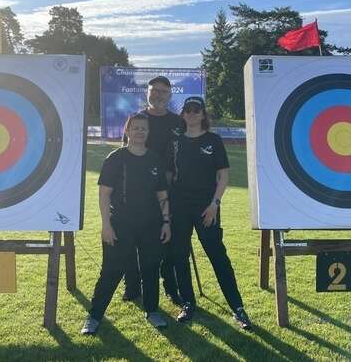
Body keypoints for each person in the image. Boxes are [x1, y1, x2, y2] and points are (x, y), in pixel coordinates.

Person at [81, 112, 172, 334]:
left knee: (150, 268)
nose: (140, 132)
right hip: (120, 224)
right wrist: (106, 225)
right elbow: (104, 195)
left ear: (148, 133)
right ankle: (94, 316)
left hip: (151, 225)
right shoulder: (115, 158)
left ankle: (152, 311)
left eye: (144, 128)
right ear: (127, 131)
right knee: (112, 270)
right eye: (136, 128)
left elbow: (162, 195)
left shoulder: (154, 160)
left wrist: (166, 222)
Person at [168, 96, 252, 330]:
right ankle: (188, 303)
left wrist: (214, 204)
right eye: (188, 110)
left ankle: (238, 307)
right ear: (183, 114)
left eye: (197, 110)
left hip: (207, 208)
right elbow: (168, 173)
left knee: (218, 256)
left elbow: (223, 176)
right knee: (180, 257)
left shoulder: (213, 140)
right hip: (179, 207)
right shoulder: (175, 141)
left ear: (204, 114)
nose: (192, 113)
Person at [121, 75, 184, 306]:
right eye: (154, 90)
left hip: (168, 191)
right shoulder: (137, 119)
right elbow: (124, 156)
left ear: (169, 95)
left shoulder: (178, 122)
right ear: (147, 92)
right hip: (137, 192)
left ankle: (170, 286)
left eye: (163, 92)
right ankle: (132, 285)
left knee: (167, 242)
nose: (158, 95)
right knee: (132, 240)